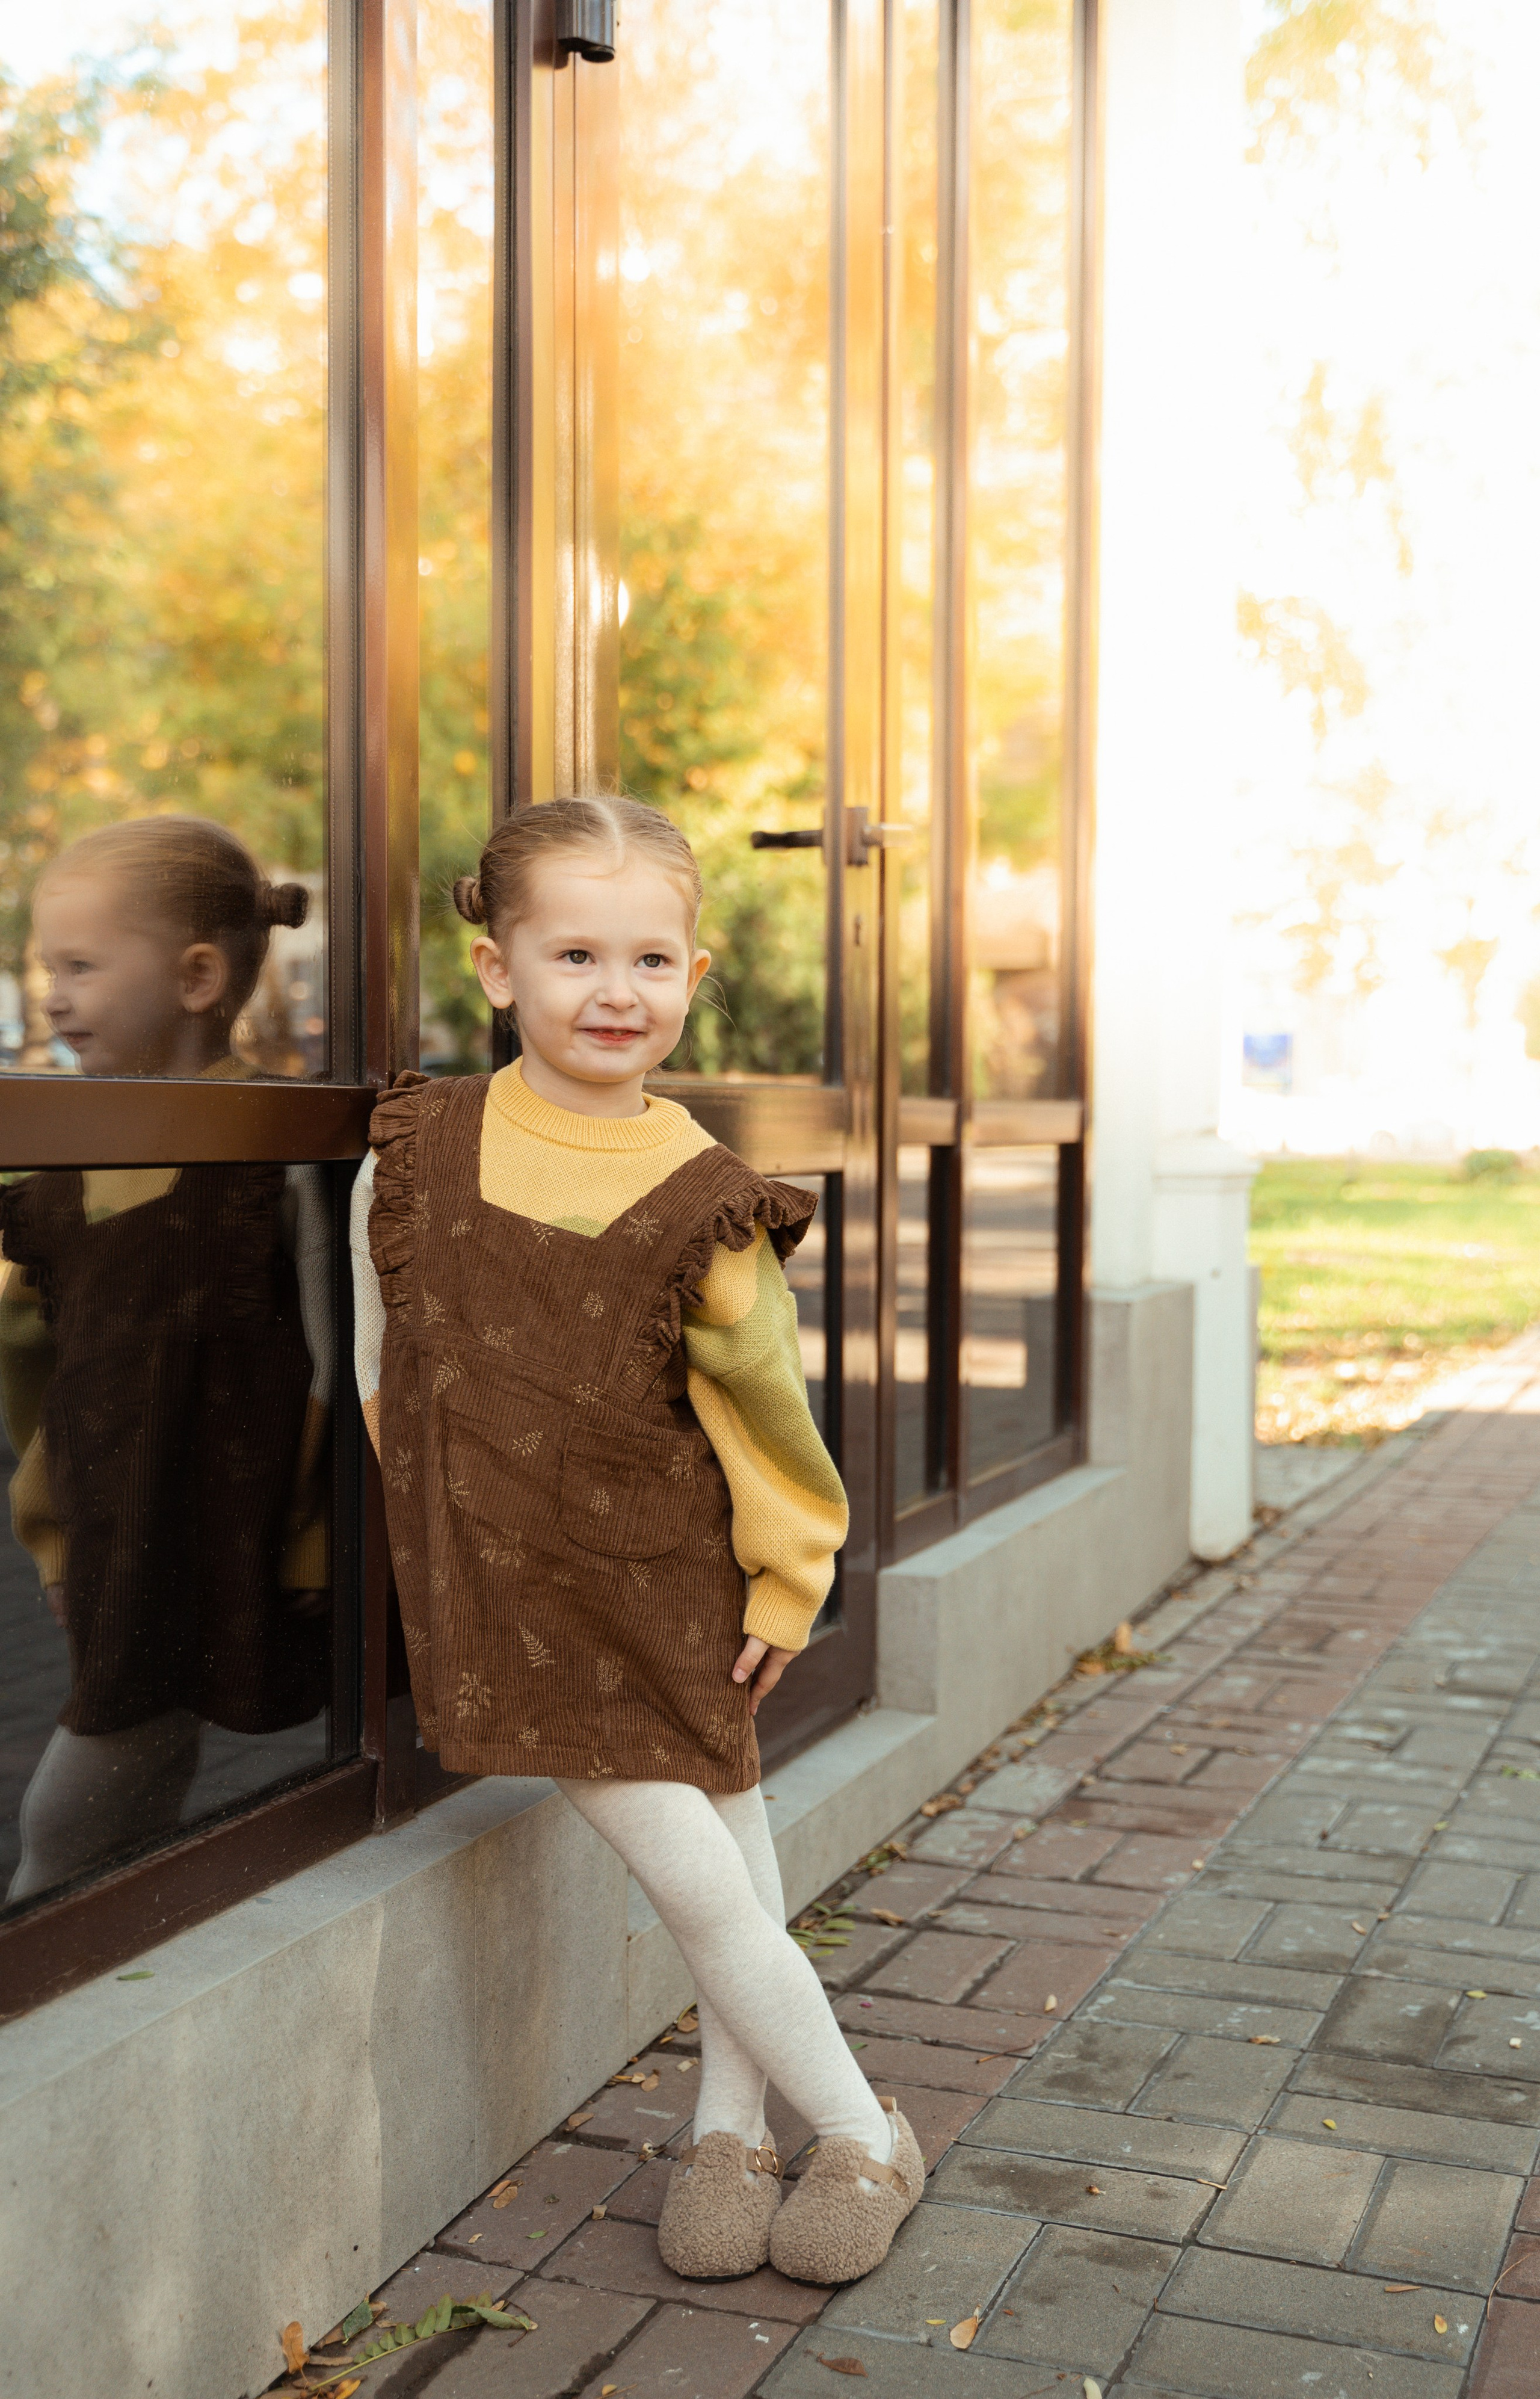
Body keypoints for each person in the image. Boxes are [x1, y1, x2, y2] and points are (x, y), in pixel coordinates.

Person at [349, 795, 923, 2285]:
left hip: (672, 1576)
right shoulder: (418, 1147)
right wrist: (444, 1525)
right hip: (513, 1582)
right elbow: (379, 1357)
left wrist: (791, 1580)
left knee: (705, 1874)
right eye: (577, 953)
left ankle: (849, 2133)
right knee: (716, 1867)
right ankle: (750, 2125)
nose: (618, 992)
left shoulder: (704, 1195)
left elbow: (767, 1417)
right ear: (497, 969)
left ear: (693, 969)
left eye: (652, 959)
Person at [0, 816, 333, 1904]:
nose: (52, 994)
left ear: (197, 976)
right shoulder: (54, 1182)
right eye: (50, 968)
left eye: (81, 967)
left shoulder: (277, 1157)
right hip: (124, 1542)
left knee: (86, 1800)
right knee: (125, 1763)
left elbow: (339, 1372)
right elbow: (34, 1381)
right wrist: (57, 1545)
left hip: (247, 1543)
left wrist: (318, 1551)